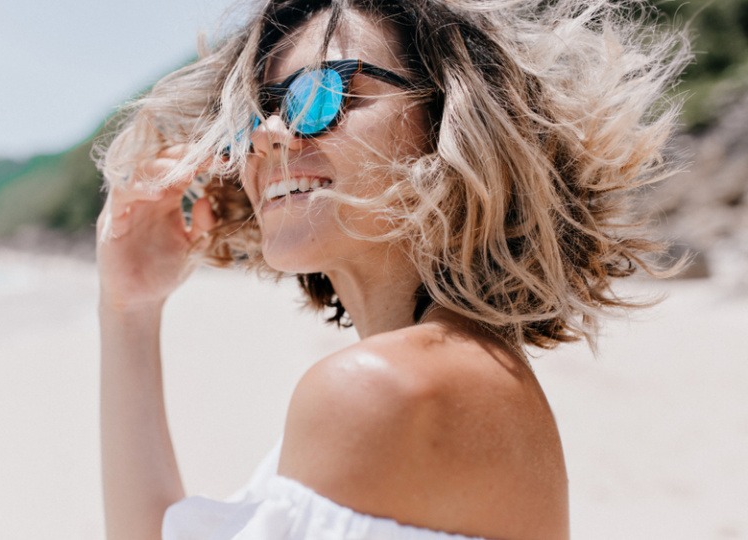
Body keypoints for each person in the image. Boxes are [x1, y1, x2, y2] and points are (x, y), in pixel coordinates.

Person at [93, 0, 689, 538]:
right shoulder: (461, 376)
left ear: (447, 121)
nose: (269, 134)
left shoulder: (378, 392)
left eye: (316, 94)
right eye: (254, 115)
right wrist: (129, 307)